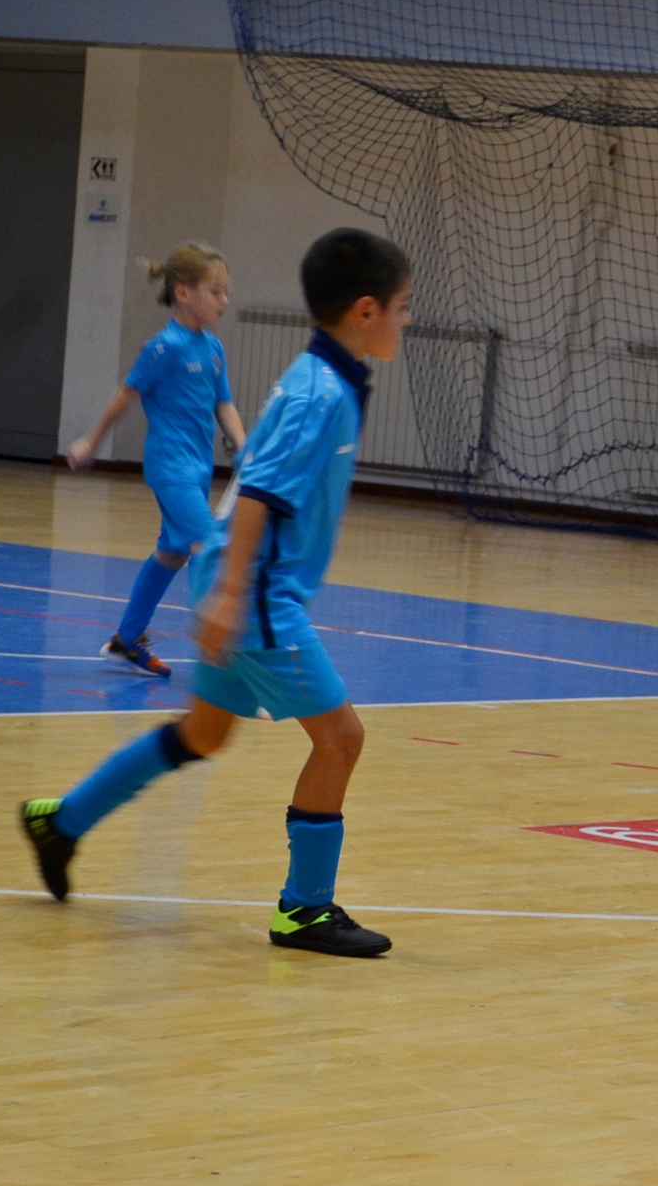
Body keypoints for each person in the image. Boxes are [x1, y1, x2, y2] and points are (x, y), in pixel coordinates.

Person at [20, 228, 413, 958]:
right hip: (256, 592)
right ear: (365, 311)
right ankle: (304, 910)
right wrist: (230, 598)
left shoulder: (329, 377)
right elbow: (258, 492)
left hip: (244, 582)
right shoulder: (320, 391)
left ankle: (61, 821)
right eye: (403, 305)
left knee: (204, 734)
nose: (407, 318)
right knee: (341, 739)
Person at [67, 244, 247, 678]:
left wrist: (244, 447)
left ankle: (127, 642)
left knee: (172, 553)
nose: (224, 300)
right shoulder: (164, 347)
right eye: (215, 291)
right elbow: (125, 394)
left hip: (198, 468)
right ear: (183, 293)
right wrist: (92, 442)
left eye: (226, 291)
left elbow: (223, 403)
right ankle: (221, 665)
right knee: (208, 550)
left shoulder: (214, 348)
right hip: (171, 467)